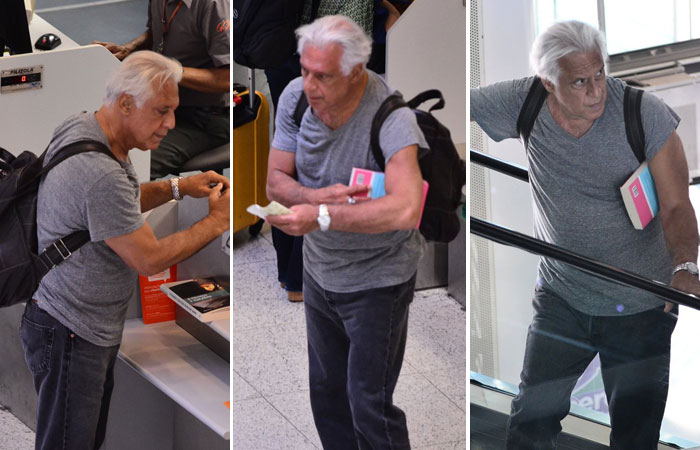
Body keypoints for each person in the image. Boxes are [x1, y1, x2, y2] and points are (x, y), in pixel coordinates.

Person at [471, 20, 700, 450]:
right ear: (548, 81)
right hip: (564, 296)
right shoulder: (525, 101)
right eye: (580, 82)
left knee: (635, 437)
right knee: (530, 424)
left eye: (599, 75)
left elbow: (676, 206)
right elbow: (460, 102)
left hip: (640, 304)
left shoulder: (642, 112)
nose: (596, 91)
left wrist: (685, 268)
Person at [20, 50, 230, 450]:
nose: (170, 124)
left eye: (174, 111)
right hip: (72, 333)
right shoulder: (102, 174)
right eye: (161, 111)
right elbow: (147, 258)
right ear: (125, 103)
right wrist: (217, 223)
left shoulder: (85, 127)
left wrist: (177, 187)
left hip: (63, 321)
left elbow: (115, 209)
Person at [265, 15, 427, 449]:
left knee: (368, 404)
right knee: (328, 396)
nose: (309, 85)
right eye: (304, 70)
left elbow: (407, 207)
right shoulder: (296, 99)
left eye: (323, 75)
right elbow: (276, 180)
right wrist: (315, 199)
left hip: (379, 280)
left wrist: (323, 216)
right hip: (320, 273)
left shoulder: (392, 118)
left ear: (356, 72)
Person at [263, 0, 402, 302]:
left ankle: (293, 275)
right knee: (315, 161)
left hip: (284, 44)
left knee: (301, 156)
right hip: (323, 55)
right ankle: (300, 278)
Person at [94, 0, 230, 180]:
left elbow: (227, 78)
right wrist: (130, 48)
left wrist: (172, 71)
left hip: (206, 119)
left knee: (126, 169)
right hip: (165, 105)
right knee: (103, 141)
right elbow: (155, 32)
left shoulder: (212, 5)